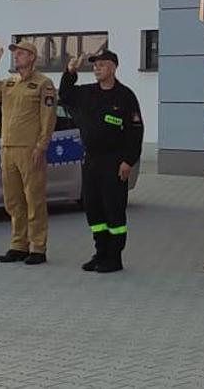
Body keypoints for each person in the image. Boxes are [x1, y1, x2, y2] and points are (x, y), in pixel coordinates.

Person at [58, 48, 143, 273]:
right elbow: (65, 95)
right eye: (95, 65)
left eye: (102, 65)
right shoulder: (88, 93)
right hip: (92, 161)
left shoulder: (125, 96)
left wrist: (128, 161)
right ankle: (101, 252)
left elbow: (135, 132)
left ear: (113, 68)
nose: (97, 68)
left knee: (113, 209)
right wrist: (70, 72)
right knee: (93, 209)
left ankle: (114, 257)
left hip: (114, 162)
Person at [0, 38, 58, 265]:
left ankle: (38, 247)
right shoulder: (9, 83)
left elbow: (48, 117)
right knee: (13, 200)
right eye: (15, 53)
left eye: (21, 53)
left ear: (32, 57)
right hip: (8, 148)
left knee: (34, 199)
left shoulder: (43, 83)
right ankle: (18, 244)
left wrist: (42, 145)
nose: (16, 56)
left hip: (30, 149)